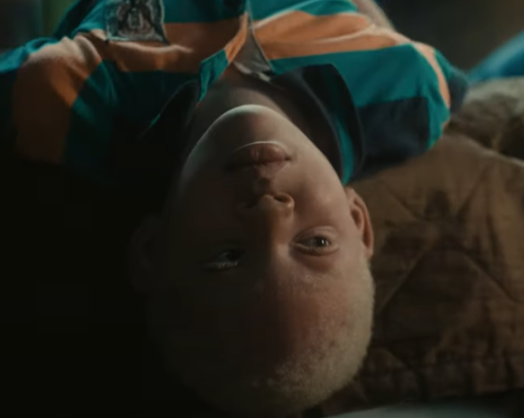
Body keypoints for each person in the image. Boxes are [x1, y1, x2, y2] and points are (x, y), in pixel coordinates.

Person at [0, 0, 467, 416]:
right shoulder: (410, 96)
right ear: (358, 220)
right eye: (316, 242)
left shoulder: (67, 99)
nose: (270, 212)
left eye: (228, 256)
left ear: (152, 249)